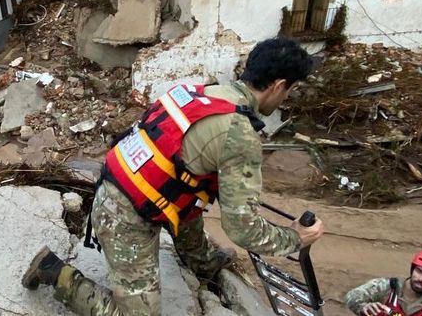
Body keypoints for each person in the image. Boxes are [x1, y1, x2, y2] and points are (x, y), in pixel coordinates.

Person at [23, 37, 325, 315]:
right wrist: (293, 238)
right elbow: (242, 229)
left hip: (125, 188)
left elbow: (186, 181)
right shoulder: (239, 132)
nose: (287, 98)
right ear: (279, 85)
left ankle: (200, 261)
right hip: (125, 217)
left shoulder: (205, 93)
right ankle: (54, 271)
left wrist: (204, 259)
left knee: (191, 189)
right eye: (290, 90)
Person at [344, 251, 422, 316]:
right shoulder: (387, 286)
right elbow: (351, 296)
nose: (421, 279)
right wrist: (363, 307)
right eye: (419, 271)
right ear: (412, 270)